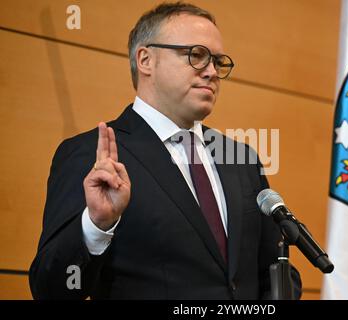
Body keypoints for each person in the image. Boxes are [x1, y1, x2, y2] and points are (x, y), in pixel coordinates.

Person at [29, 1, 300, 299]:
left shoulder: (241, 159)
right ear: (145, 60)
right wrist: (95, 226)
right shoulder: (92, 155)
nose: (211, 72)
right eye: (196, 55)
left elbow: (275, 273)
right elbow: (51, 288)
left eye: (218, 62)